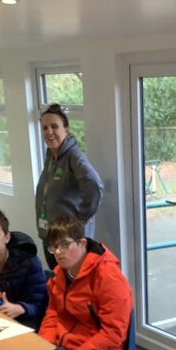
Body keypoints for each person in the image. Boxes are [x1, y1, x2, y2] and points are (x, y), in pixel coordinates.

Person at [39, 216, 133, 350]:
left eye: (64, 245)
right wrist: (44, 345)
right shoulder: (60, 274)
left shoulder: (107, 276)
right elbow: (53, 314)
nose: (57, 252)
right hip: (63, 348)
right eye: (54, 247)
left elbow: (113, 333)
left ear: (82, 243)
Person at [35, 103, 103, 269]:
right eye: (45, 128)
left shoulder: (73, 156)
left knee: (74, 280)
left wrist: (82, 216)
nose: (49, 132)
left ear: (66, 129)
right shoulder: (51, 156)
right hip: (51, 236)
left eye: (54, 126)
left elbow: (94, 184)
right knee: (58, 279)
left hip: (69, 240)